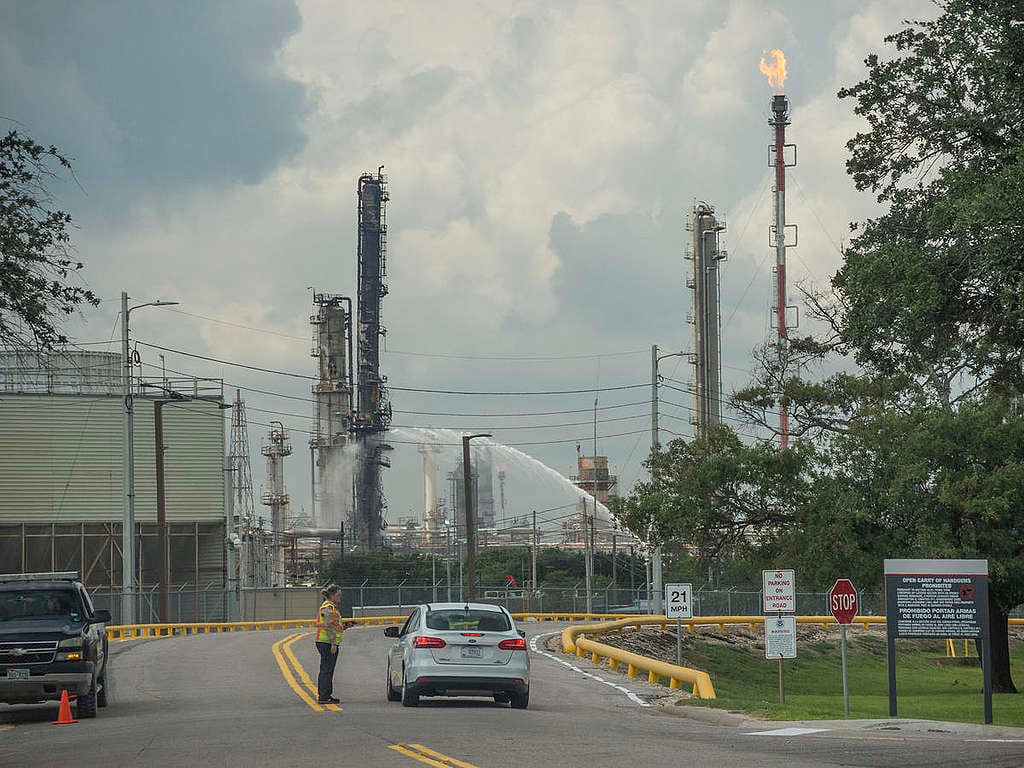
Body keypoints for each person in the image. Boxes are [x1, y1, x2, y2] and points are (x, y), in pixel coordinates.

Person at [314, 584, 349, 705]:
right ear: (332, 596)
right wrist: (333, 643)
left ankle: (326, 695)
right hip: (327, 642)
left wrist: (344, 626)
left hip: (327, 642)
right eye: (338, 595)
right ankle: (324, 696)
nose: (340, 598)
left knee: (328, 669)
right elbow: (328, 627)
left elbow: (333, 626)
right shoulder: (328, 607)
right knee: (326, 670)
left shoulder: (331, 608)